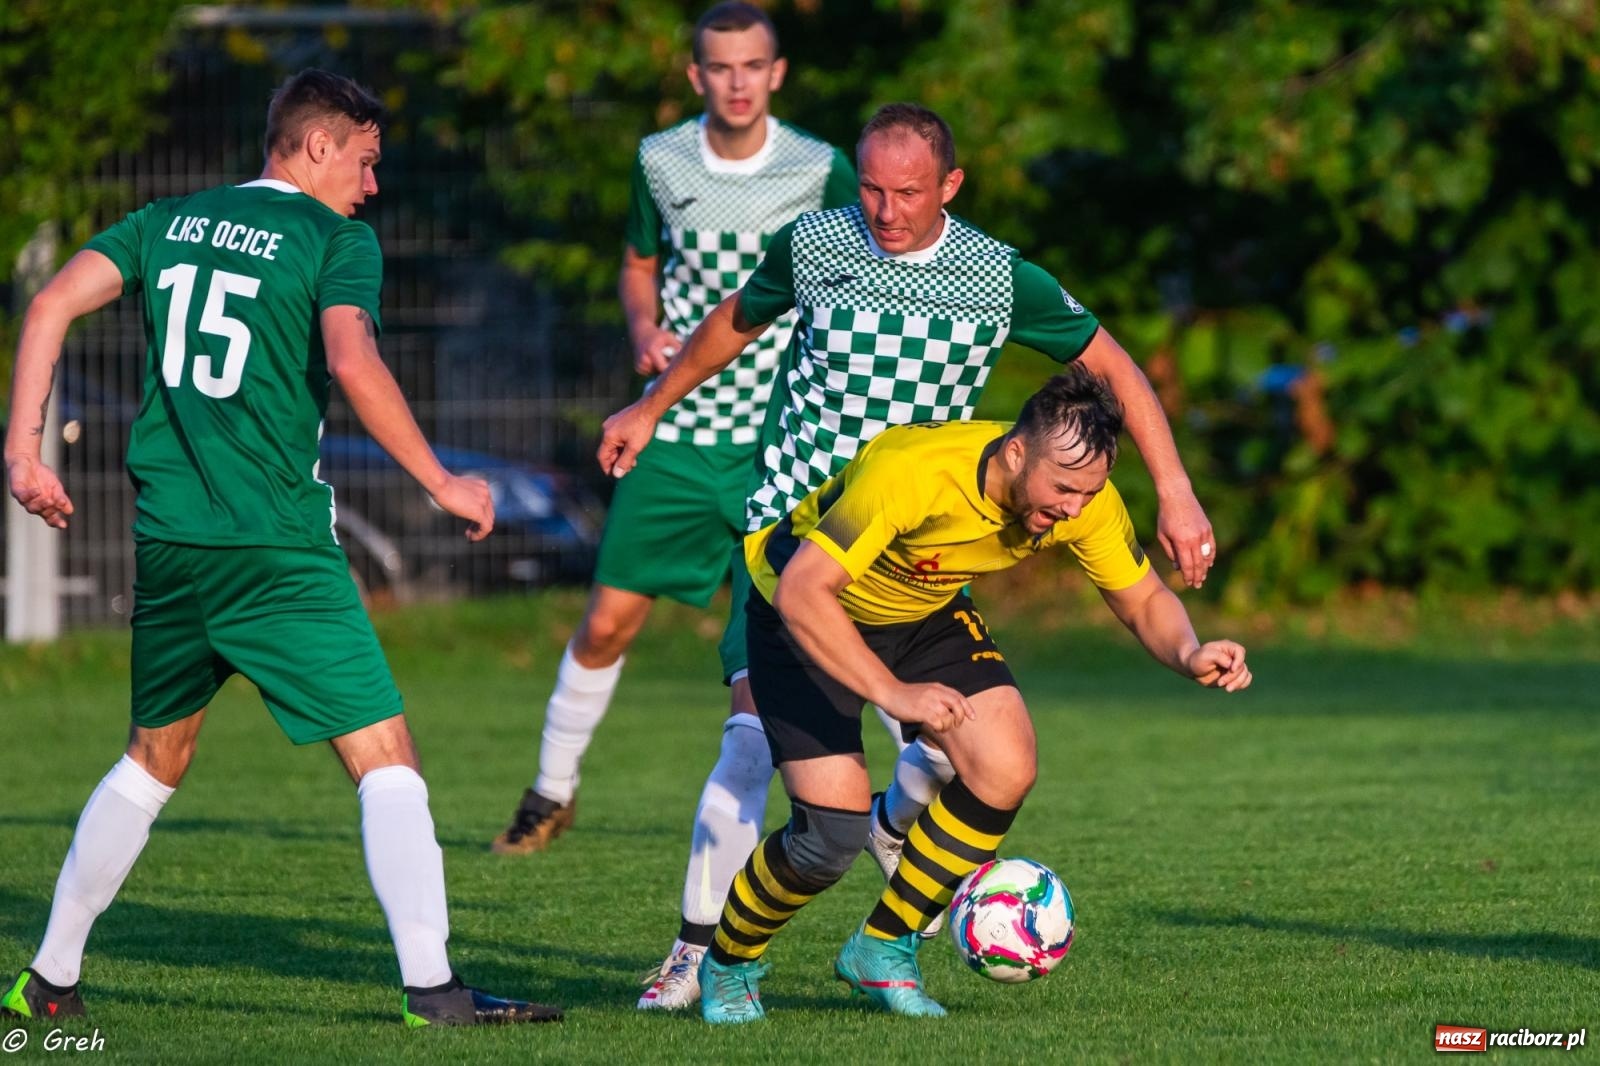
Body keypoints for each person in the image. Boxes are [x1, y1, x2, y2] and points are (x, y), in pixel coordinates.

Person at [599, 102, 1219, 1008]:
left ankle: (885, 931)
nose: (885, 213)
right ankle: (705, 954)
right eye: (874, 191)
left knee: (986, 759)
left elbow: (1113, 370)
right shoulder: (815, 244)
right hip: (799, 547)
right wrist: (651, 406)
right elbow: (734, 322)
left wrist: (1174, 488)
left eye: (908, 194)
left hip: (925, 552)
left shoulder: (999, 279)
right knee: (760, 760)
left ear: (951, 187)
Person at [1, 70, 560, 1028]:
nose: (373, 186)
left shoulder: (169, 219)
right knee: (388, 758)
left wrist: (22, 449)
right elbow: (351, 358)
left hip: (172, 542)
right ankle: (435, 990)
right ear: (315, 147)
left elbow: (48, 303)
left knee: (153, 757)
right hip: (274, 546)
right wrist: (440, 481)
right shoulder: (334, 240)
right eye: (368, 161)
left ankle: (48, 981)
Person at [484, 0, 855, 1012]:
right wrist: (645, 326)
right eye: (718, 67)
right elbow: (639, 264)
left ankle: (717, 937)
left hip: (775, 445)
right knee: (606, 621)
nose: (736, 81)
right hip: (677, 430)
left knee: (752, 692)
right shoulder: (659, 162)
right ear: (695, 77)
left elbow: (850, 278)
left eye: (752, 66)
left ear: (776, 74)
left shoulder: (822, 168)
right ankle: (551, 792)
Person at [695, 366, 1251, 1023]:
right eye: (1064, 488)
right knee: (829, 838)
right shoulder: (915, 472)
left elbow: (1144, 598)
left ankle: (883, 948)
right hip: (806, 612)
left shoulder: (1081, 497)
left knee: (1005, 765)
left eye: (1088, 492)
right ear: (1017, 452)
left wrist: (1189, 653)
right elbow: (802, 591)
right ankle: (727, 964)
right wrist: (894, 694)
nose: (1073, 507)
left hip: (923, 613)